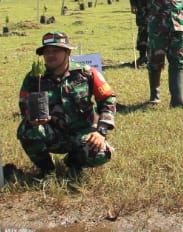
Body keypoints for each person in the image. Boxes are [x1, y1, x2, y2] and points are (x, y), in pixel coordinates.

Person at [17, 31, 117, 177]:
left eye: (55, 51)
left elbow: (108, 98)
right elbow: (24, 104)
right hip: (53, 133)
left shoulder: (86, 73)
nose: (50, 55)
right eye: (47, 51)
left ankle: (74, 162)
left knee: (101, 154)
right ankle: (47, 170)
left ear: (68, 52)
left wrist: (100, 131)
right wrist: (31, 117)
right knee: (27, 130)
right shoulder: (34, 78)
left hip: (83, 132)